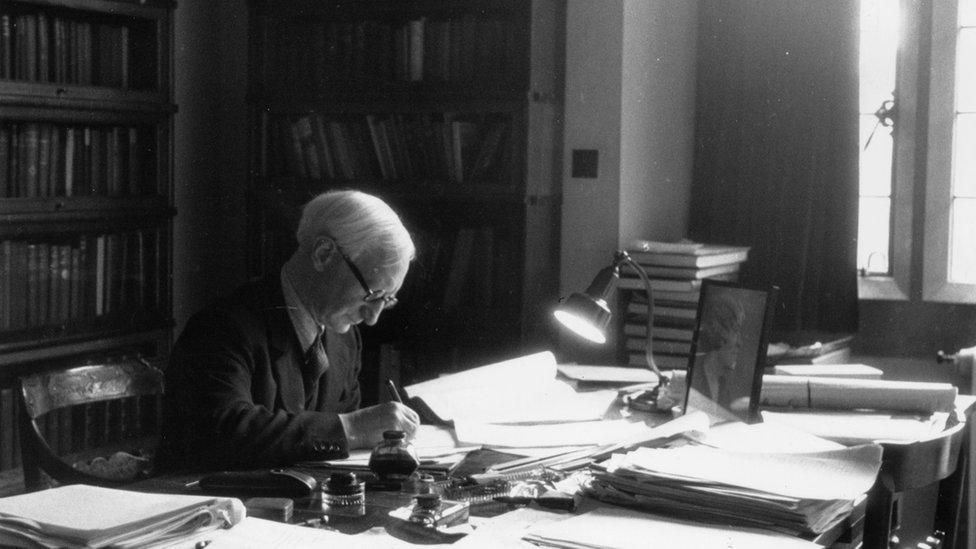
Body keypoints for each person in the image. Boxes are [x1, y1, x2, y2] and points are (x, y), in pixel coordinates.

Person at [156, 190, 420, 472]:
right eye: (372, 295)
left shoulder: (344, 340)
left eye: (386, 300)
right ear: (323, 254)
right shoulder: (221, 328)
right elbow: (221, 433)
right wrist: (351, 427)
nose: (372, 319)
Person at [687, 291, 747, 423]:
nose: (740, 344)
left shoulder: (723, 387)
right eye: (736, 331)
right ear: (718, 330)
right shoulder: (693, 377)